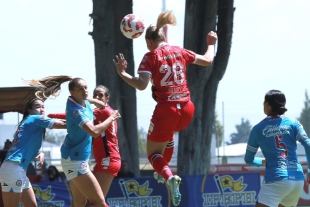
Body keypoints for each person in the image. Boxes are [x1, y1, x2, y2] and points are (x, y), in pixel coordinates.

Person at [113, 10, 217, 206]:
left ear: (149, 42)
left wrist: (123, 73)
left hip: (167, 110)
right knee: (167, 137)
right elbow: (208, 60)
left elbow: (142, 84)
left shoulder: (150, 56)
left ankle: (169, 176)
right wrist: (211, 43)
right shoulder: (180, 51)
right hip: (187, 110)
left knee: (152, 154)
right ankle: (164, 171)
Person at [25, 76, 121, 207]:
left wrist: (93, 99)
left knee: (79, 203)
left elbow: (86, 99)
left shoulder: (82, 101)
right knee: (98, 203)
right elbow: (93, 131)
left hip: (77, 159)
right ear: (72, 93)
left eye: (86, 88)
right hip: (75, 161)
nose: (85, 91)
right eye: (80, 89)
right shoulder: (77, 110)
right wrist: (112, 117)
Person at [48, 85, 122, 198]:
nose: (97, 97)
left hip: (108, 159)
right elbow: (76, 116)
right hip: (104, 160)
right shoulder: (101, 112)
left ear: (108, 99)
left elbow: (74, 115)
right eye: (95, 95)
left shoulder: (104, 112)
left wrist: (49, 116)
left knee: (97, 202)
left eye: (100, 95)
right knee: (88, 201)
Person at [244, 90, 310, 207]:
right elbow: (308, 144)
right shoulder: (294, 123)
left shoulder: (258, 128)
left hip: (276, 179)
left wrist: (262, 161)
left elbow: (248, 159)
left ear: (267, 104)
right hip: (298, 179)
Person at [0, 97, 67, 207]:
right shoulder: (35, 118)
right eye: (37, 107)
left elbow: (24, 146)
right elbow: (64, 125)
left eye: (43, 107)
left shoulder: (31, 122)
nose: (41, 109)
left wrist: (39, 153)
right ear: (29, 110)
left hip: (16, 169)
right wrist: (83, 122)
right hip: (13, 169)